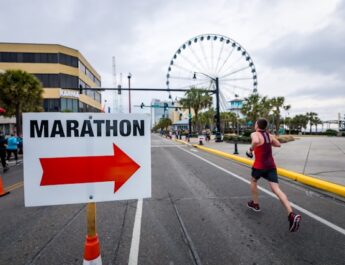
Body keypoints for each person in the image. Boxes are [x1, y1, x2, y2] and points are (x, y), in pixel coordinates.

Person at [246, 118, 301, 232]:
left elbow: (256, 141)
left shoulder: (255, 134)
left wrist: (251, 150)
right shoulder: (269, 135)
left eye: (255, 123)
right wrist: (268, 142)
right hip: (271, 166)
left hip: (259, 166)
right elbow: (278, 144)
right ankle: (291, 214)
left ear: (257, 125)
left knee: (253, 181)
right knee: (276, 189)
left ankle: (255, 204)